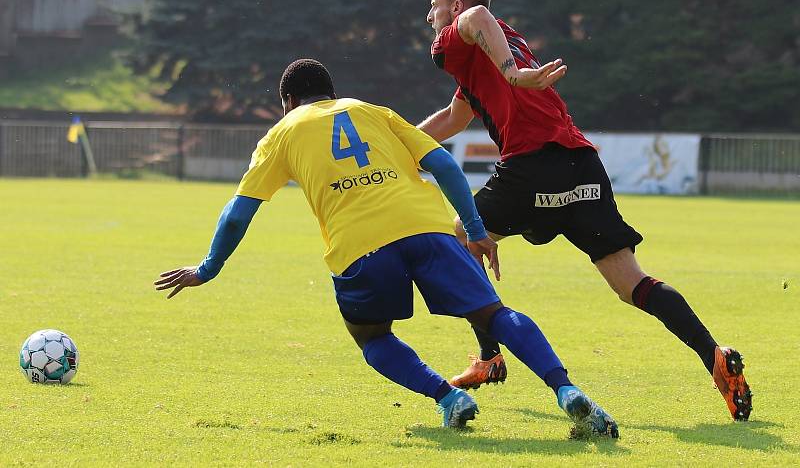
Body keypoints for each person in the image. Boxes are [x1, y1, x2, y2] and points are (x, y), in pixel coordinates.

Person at [154, 58, 619, 437]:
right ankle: (565, 389)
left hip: (360, 247)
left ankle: (448, 397)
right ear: (331, 92)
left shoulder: (283, 132)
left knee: (372, 336)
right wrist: (476, 228)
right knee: (493, 314)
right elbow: (447, 166)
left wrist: (209, 267)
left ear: (289, 102)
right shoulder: (374, 112)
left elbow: (239, 211)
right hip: (428, 230)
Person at [418, 0, 752, 421]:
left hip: (530, 167)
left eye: (434, 6)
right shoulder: (496, 47)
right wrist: (400, 144)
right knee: (630, 282)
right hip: (580, 164)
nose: (429, 16)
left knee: (463, 234)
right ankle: (713, 355)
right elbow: (454, 118)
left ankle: (489, 357)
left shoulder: (469, 29)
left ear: (453, 5)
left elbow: (476, 17)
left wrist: (513, 74)